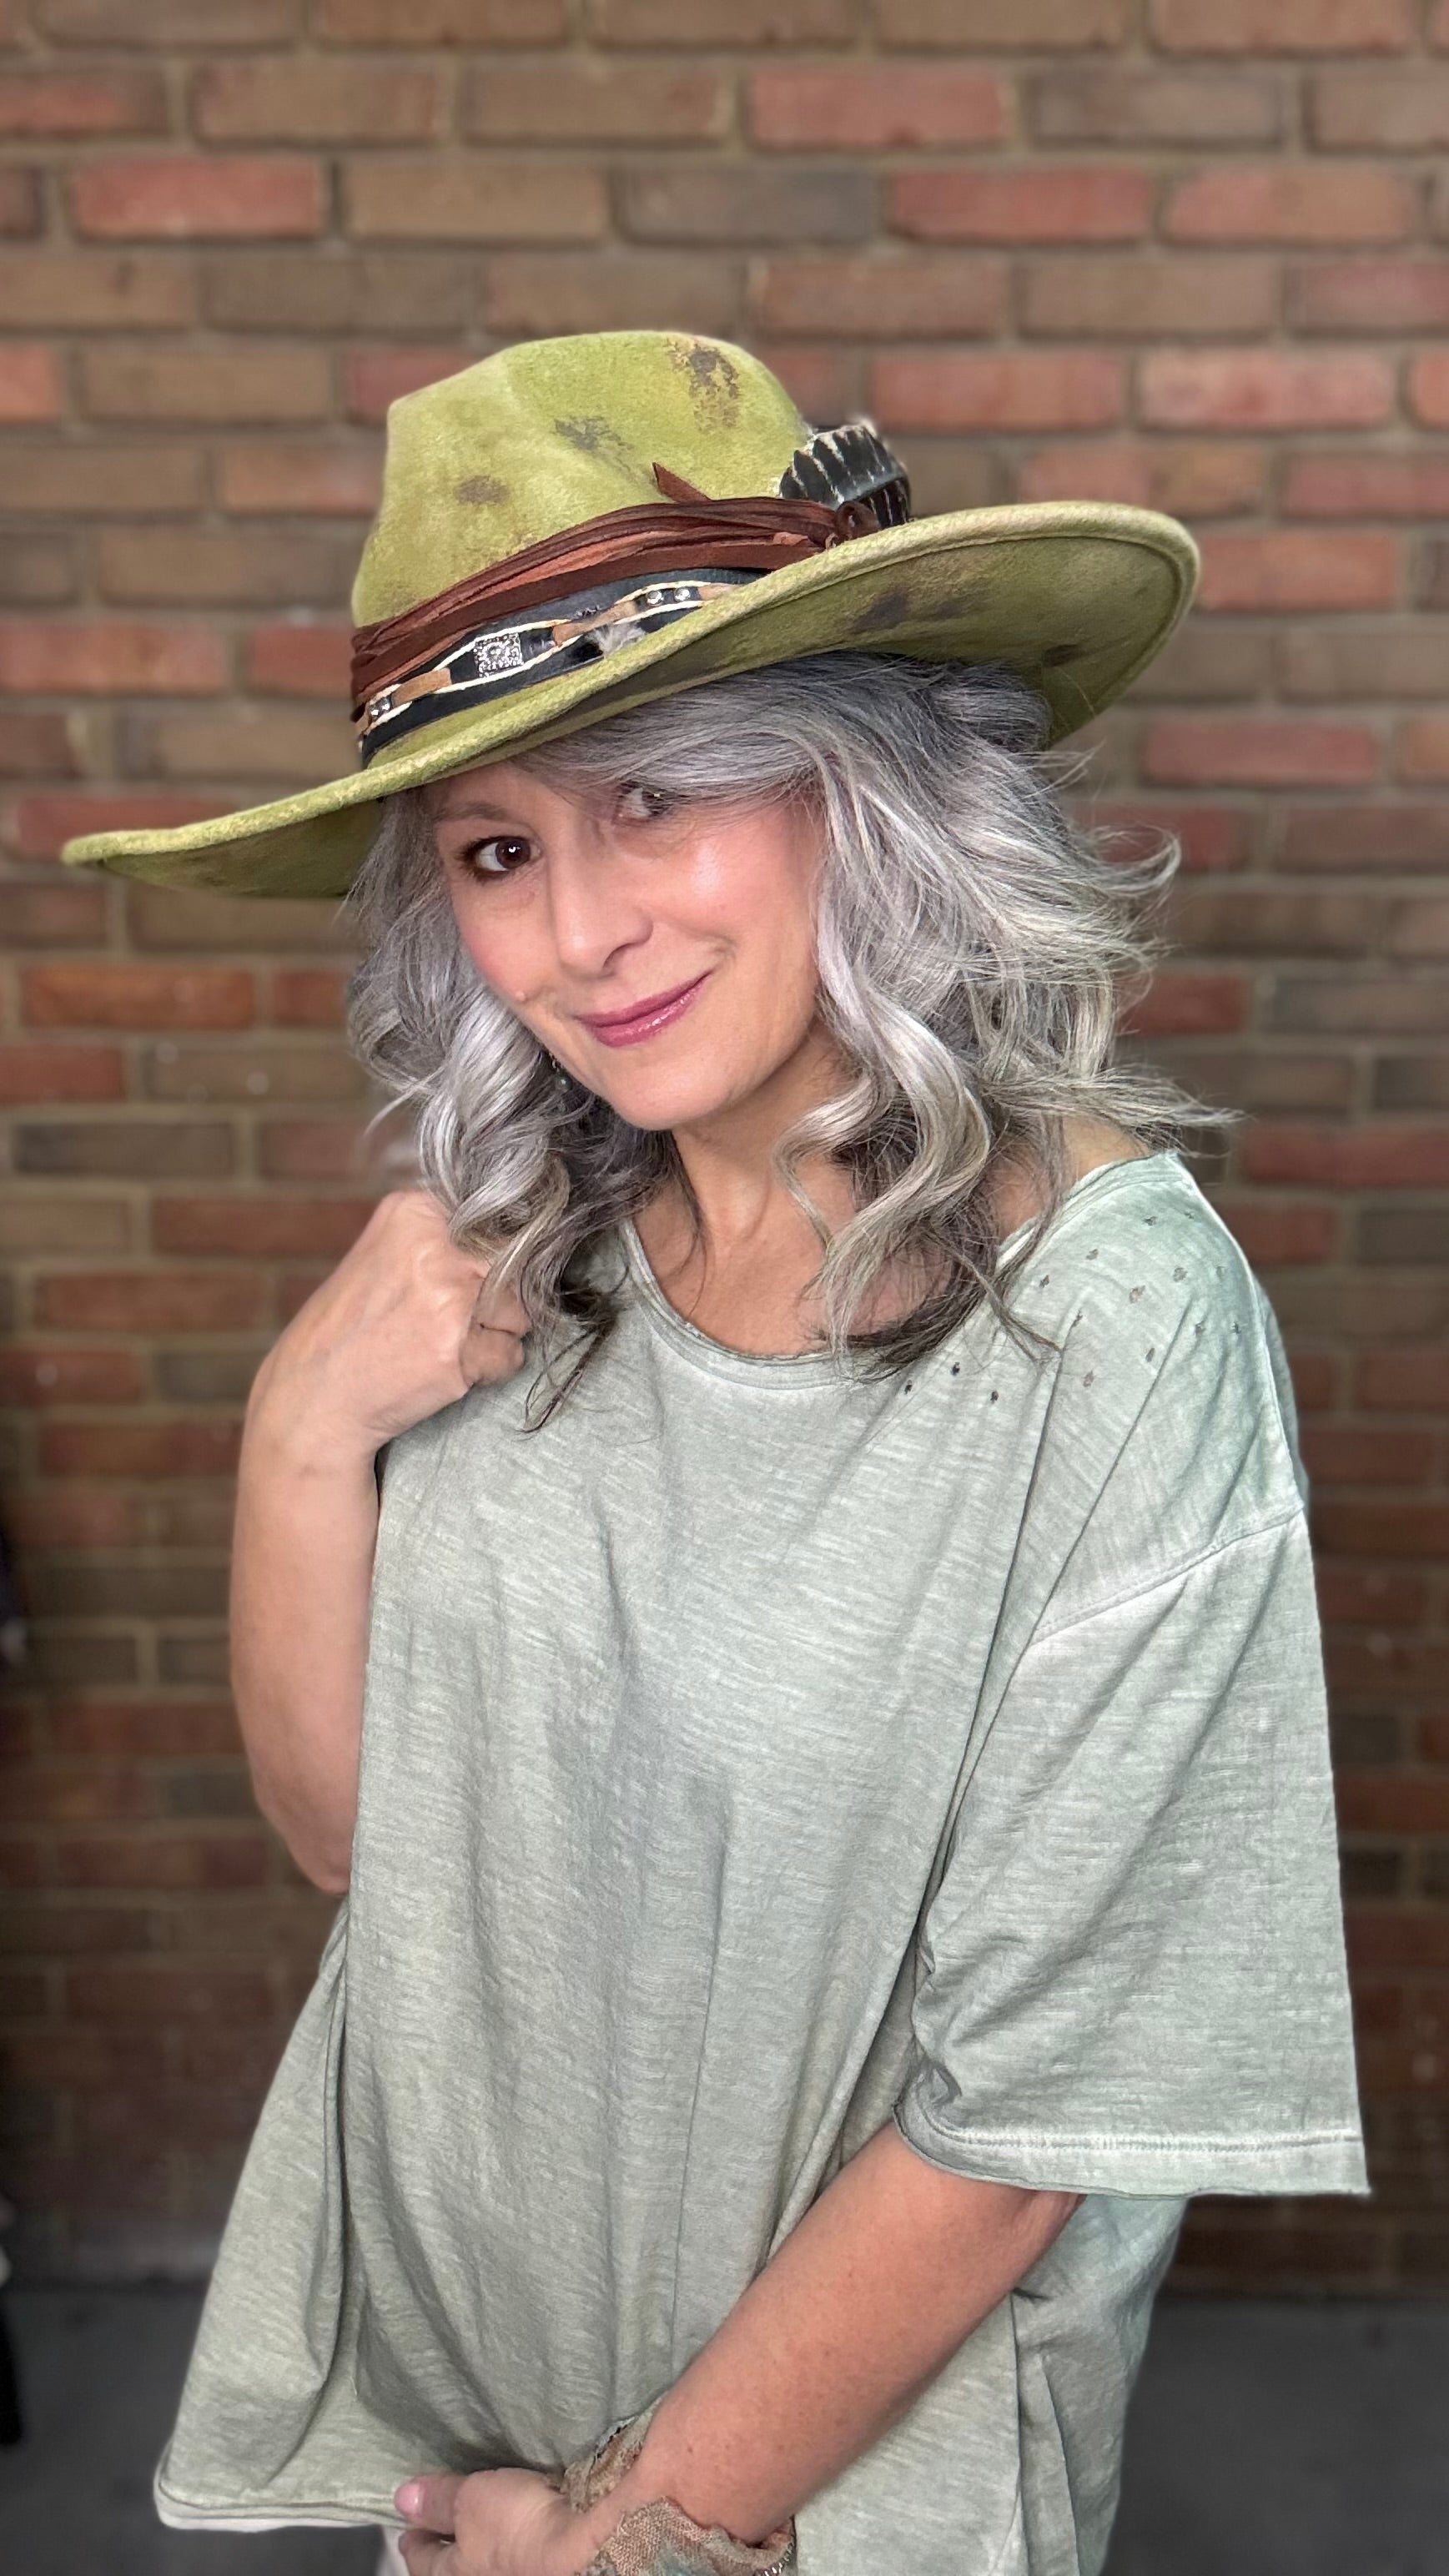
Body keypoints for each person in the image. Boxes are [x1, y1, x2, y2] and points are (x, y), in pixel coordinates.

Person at [61, 332, 1366, 2576]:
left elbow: (1021, 2115)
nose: (577, 931)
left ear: (859, 787)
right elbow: (389, 1864)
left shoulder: (1111, 1331)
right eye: (496, 845)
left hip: (800, 2495)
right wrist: (299, 1438)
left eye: (660, 795)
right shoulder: (515, 1258)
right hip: (478, 2428)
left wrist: (646, 2529)